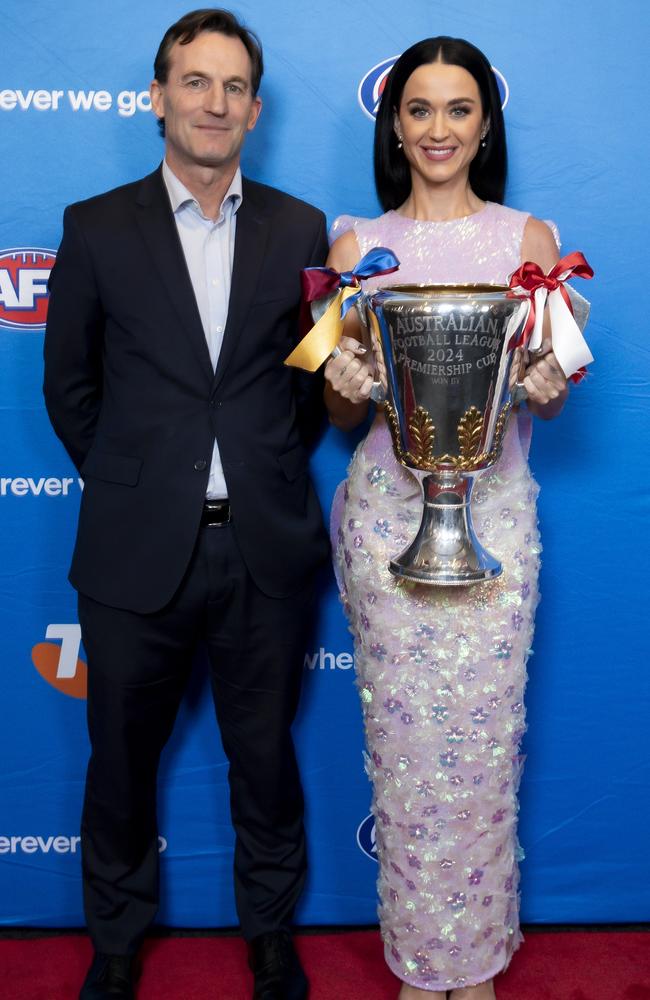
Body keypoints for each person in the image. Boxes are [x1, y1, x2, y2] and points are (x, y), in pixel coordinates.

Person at [43, 9, 329, 1000]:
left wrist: (255, 473)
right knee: (119, 761)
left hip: (263, 549)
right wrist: (139, 478)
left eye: (234, 86)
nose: (214, 102)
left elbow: (306, 387)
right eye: (194, 82)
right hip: (134, 551)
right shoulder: (93, 226)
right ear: (157, 97)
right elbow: (69, 389)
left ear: (255, 109)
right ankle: (115, 942)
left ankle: (268, 935)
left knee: (264, 757)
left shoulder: (300, 229)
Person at [324, 37, 567, 1000]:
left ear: (485, 123)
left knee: (483, 742)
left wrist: (548, 379)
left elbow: (547, 397)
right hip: (388, 522)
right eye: (419, 109)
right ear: (394, 123)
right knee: (408, 750)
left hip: (496, 516)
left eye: (458, 109)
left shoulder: (529, 241)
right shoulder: (355, 244)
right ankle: (422, 965)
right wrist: (343, 378)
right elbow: (345, 408)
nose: (438, 130)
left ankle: (476, 965)